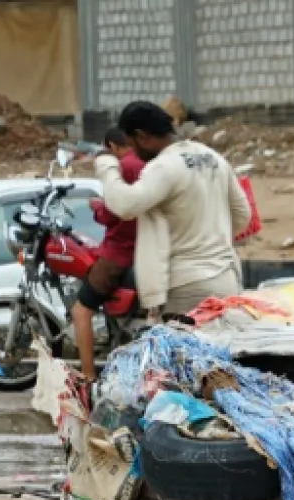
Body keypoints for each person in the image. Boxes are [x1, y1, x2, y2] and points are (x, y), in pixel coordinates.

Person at [94, 101, 252, 318]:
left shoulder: (163, 166)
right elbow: (243, 215)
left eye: (132, 145)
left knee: (182, 341)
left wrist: (107, 166)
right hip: (227, 280)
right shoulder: (213, 157)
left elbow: (125, 205)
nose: (134, 154)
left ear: (142, 137)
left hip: (186, 287)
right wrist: (209, 240)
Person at [73, 128, 141, 380]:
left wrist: (98, 209)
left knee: (81, 310)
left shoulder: (124, 168)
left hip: (119, 252)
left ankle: (88, 376)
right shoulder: (148, 164)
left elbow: (114, 212)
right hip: (144, 249)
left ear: (112, 146)